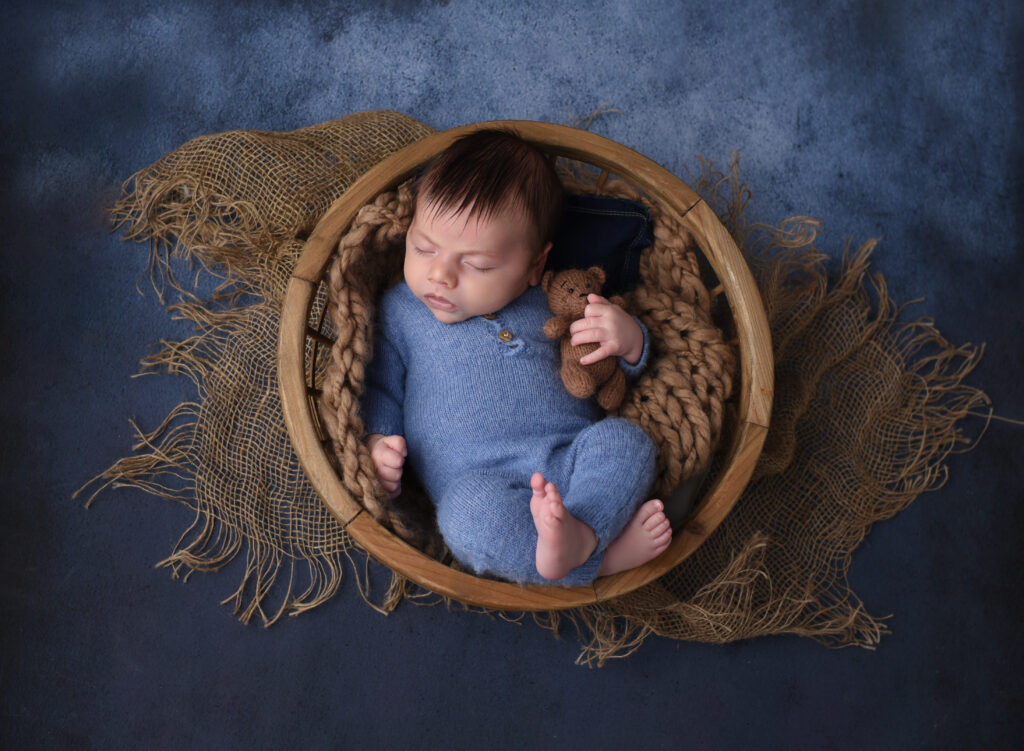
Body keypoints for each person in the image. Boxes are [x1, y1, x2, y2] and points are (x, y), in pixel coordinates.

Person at [361, 129, 671, 585]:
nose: (439, 275)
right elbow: (379, 385)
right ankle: (594, 561)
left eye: (479, 265)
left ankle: (583, 531)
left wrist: (629, 340)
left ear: (534, 266)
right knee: (462, 516)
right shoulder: (400, 311)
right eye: (423, 248)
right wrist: (378, 444)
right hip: (482, 486)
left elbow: (607, 361)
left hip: (569, 462)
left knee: (628, 443)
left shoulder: (553, 296)